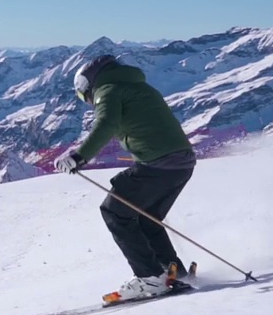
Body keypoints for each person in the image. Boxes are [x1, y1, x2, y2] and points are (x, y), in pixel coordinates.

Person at [54, 54, 197, 300]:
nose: (86, 100)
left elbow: (106, 124)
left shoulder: (108, 90)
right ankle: (172, 272)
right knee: (146, 219)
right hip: (181, 164)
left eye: (82, 94)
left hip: (158, 163)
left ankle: (150, 278)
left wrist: (79, 157)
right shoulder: (138, 86)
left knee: (115, 211)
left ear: (88, 85)